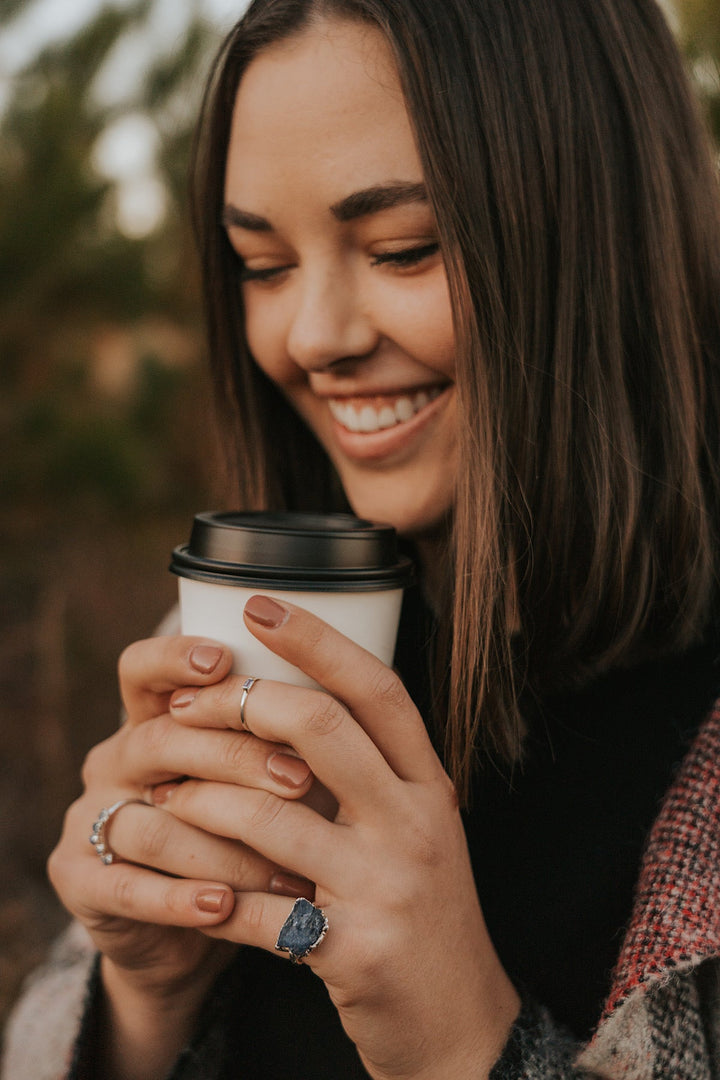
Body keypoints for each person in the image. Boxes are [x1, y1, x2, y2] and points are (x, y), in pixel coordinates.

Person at [4, 0, 720, 1076]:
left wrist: (465, 1046)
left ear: (598, 230)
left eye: (402, 248)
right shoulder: (255, 628)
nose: (314, 337)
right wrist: (139, 1004)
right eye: (262, 263)